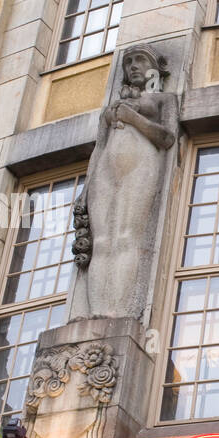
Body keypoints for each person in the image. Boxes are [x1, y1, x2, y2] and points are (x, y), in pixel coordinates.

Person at [69, 44, 179, 321]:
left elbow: (166, 137)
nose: (133, 66)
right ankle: (95, 312)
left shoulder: (164, 99)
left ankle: (116, 310)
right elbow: (99, 147)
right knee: (102, 241)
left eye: (140, 61)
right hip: (106, 169)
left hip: (140, 163)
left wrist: (133, 118)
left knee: (126, 236)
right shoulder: (113, 104)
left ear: (156, 68)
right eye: (129, 62)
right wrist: (87, 185)